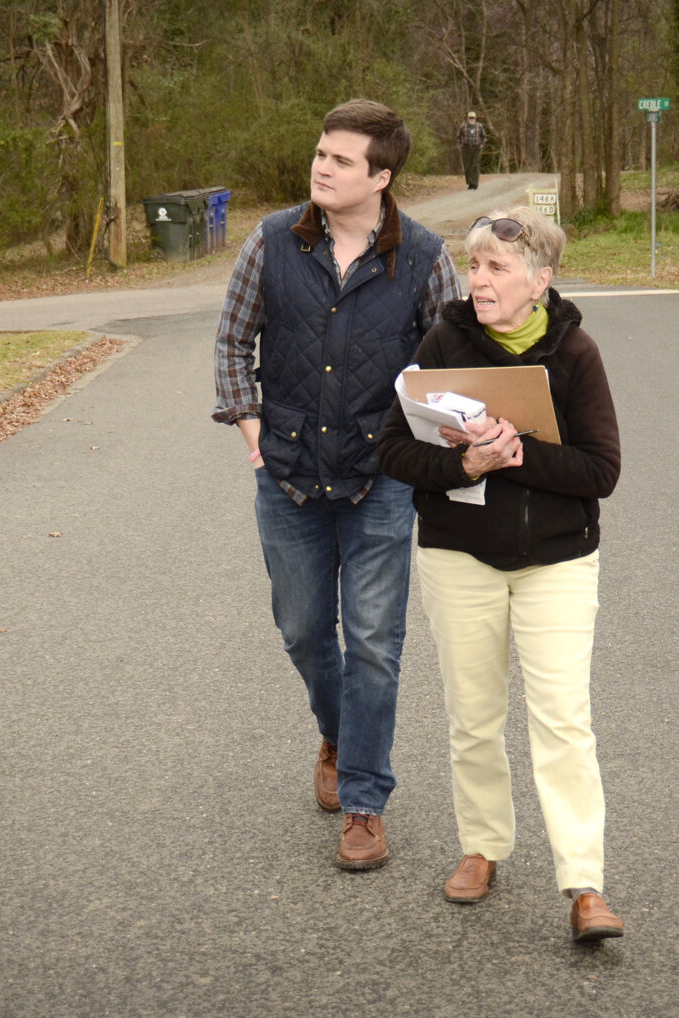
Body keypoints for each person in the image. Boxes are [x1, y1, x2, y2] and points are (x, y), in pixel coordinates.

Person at [212, 99, 465, 871]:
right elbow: (232, 340)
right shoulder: (272, 240)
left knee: (376, 646)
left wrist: (429, 450)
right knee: (301, 630)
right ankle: (338, 730)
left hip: (380, 480)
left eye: (341, 159)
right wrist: (254, 438)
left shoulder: (423, 257)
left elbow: (451, 362)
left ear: (380, 177)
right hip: (285, 474)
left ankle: (363, 798)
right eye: (321, 153)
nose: (322, 167)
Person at [377, 206, 624, 942]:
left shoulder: (575, 353)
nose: (479, 280)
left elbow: (601, 470)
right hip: (458, 554)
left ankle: (584, 882)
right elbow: (394, 451)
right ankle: (482, 847)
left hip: (557, 561)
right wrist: (464, 463)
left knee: (563, 722)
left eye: (497, 268)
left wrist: (517, 452)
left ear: (539, 280)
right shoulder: (443, 342)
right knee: (474, 717)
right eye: (474, 266)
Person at [456, 111, 486, 190]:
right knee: (467, 166)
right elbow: (458, 137)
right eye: (470, 118)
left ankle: (475, 183)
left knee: (475, 165)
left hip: (476, 147)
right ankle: (470, 183)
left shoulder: (479, 126)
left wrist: (481, 145)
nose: (471, 119)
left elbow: (483, 137)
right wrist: (460, 145)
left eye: (473, 118)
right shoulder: (463, 126)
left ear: (475, 118)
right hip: (466, 148)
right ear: (468, 118)